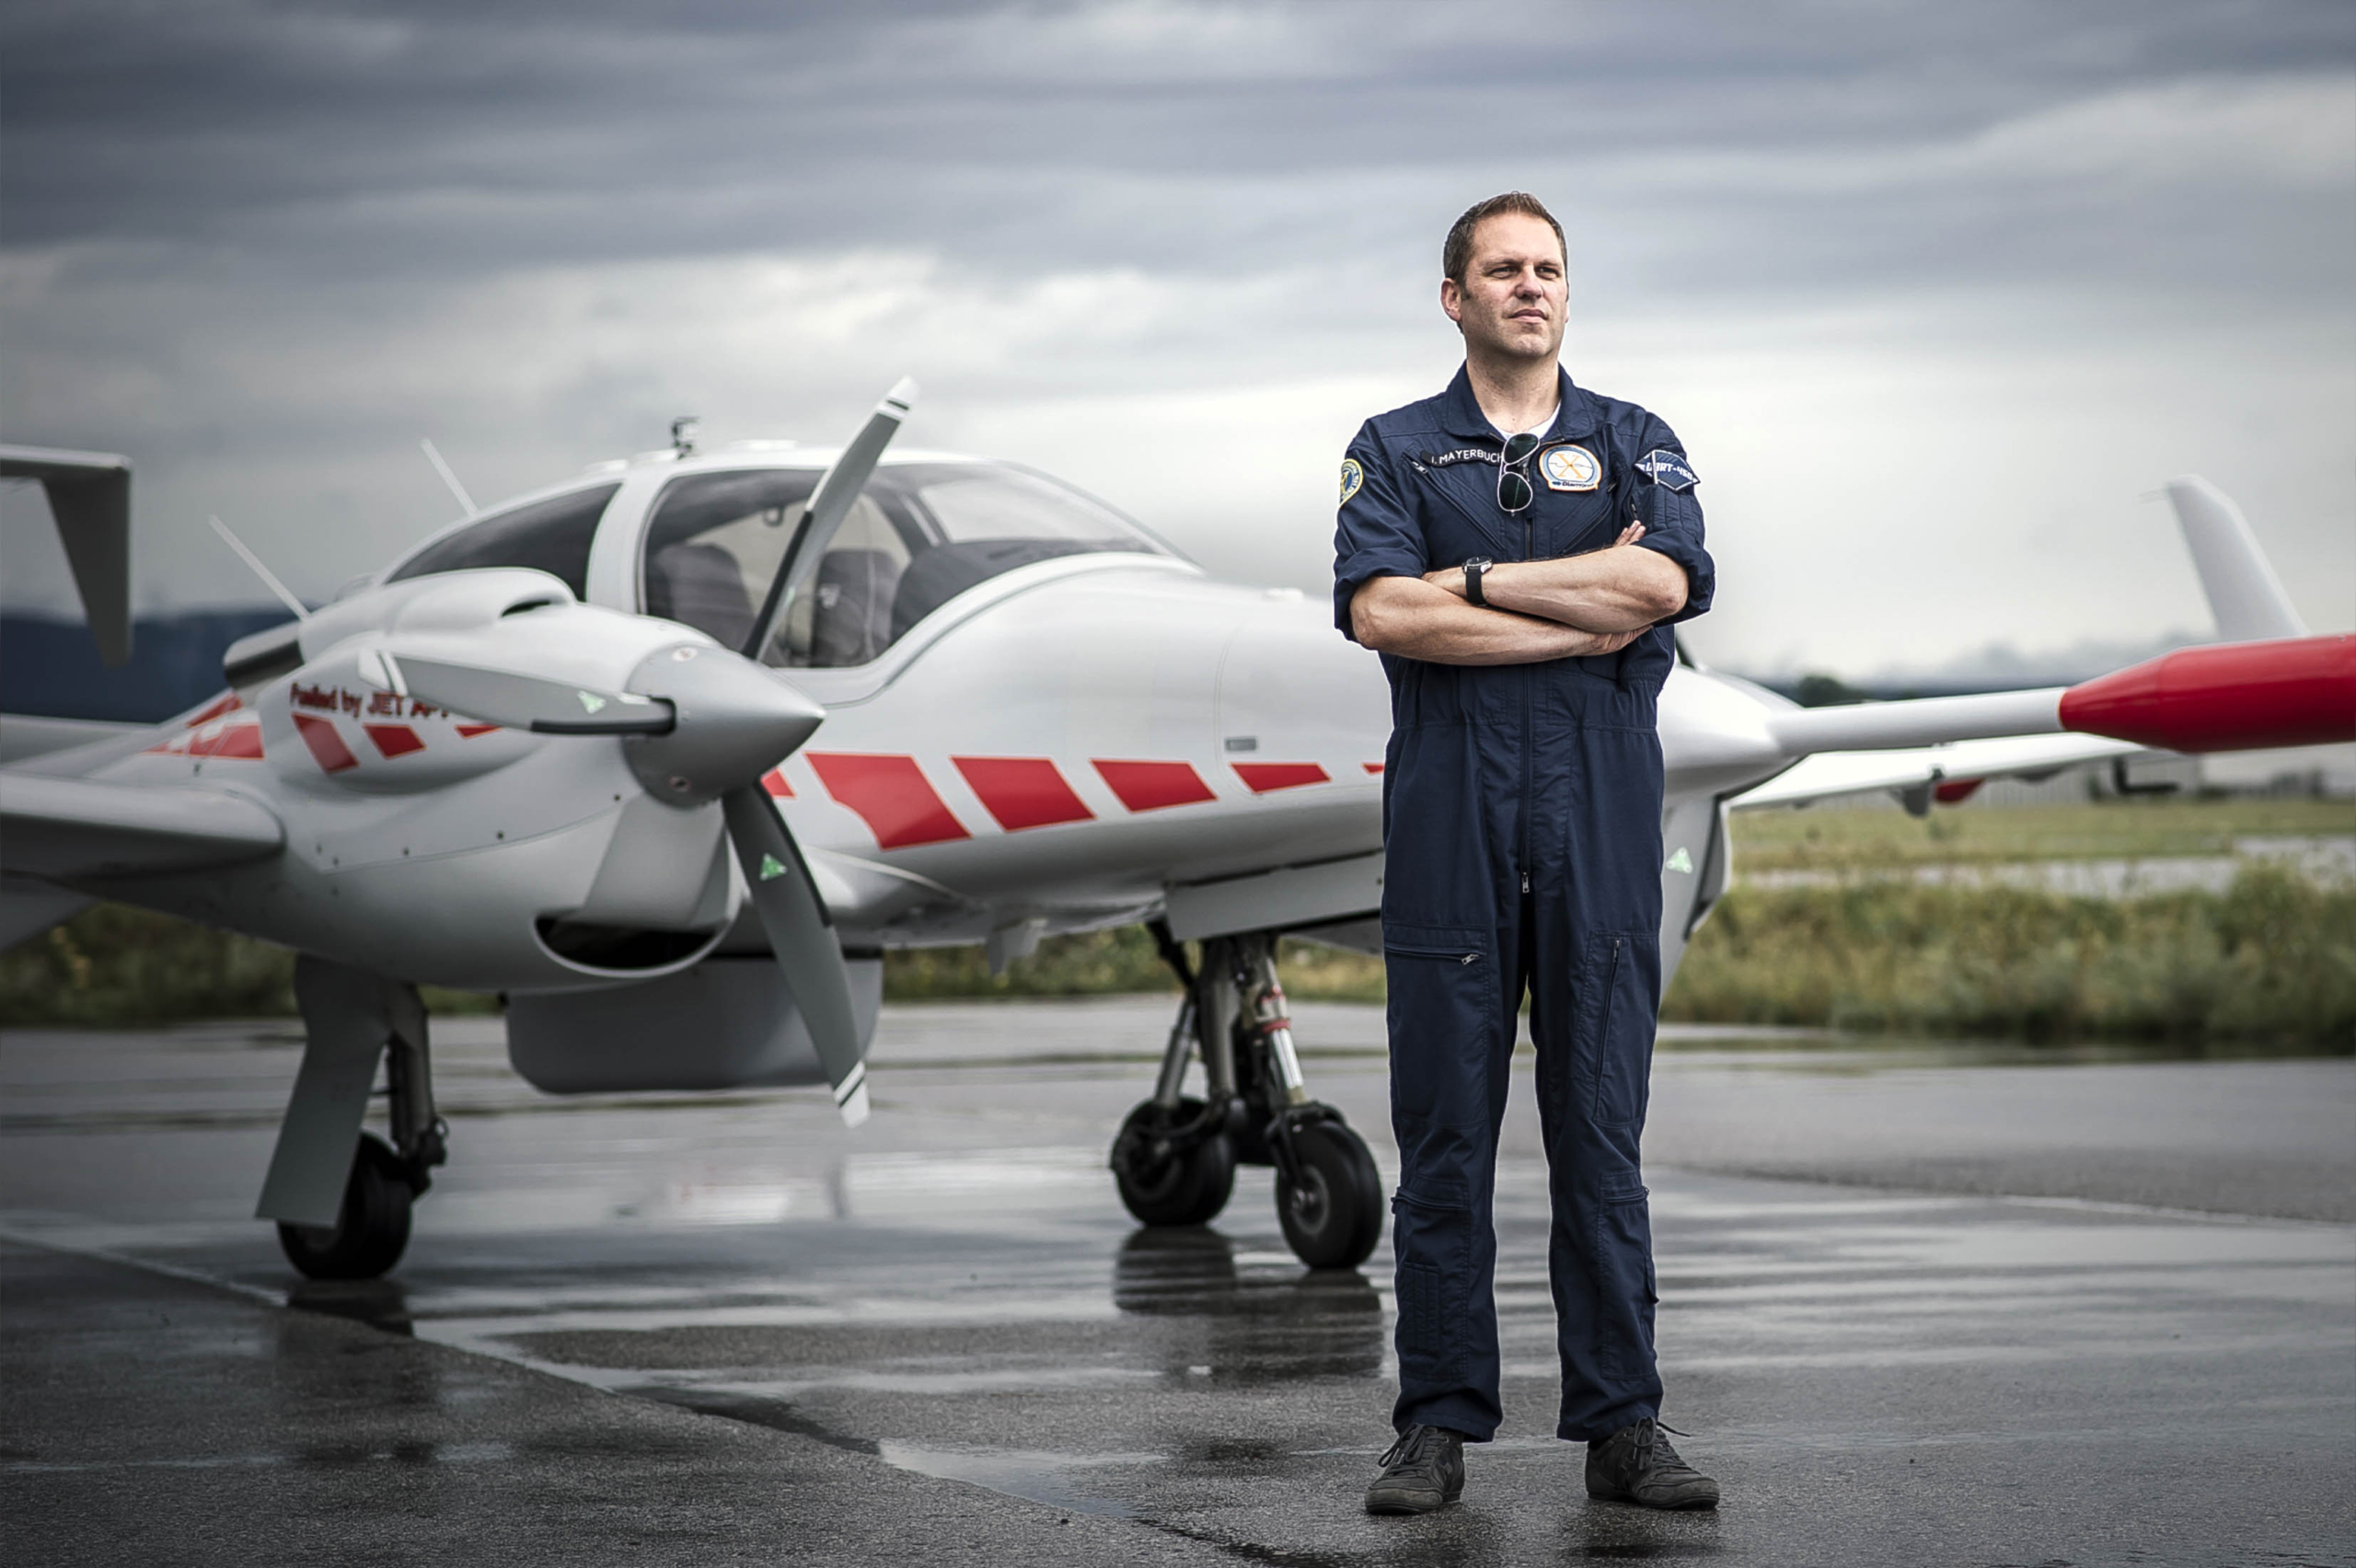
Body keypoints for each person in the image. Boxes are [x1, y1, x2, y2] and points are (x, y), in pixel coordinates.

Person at [1333, 191, 1719, 1515]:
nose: (1530, 287)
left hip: (1600, 817)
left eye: (1548, 268)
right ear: (1456, 296)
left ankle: (1625, 1427)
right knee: (1445, 1135)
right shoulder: (1394, 449)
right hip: (1451, 819)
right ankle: (1434, 1426)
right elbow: (1385, 612)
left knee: (1599, 1133)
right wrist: (1570, 608)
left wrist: (1479, 583)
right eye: (1502, 270)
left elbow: (1661, 587)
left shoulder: (1635, 441)